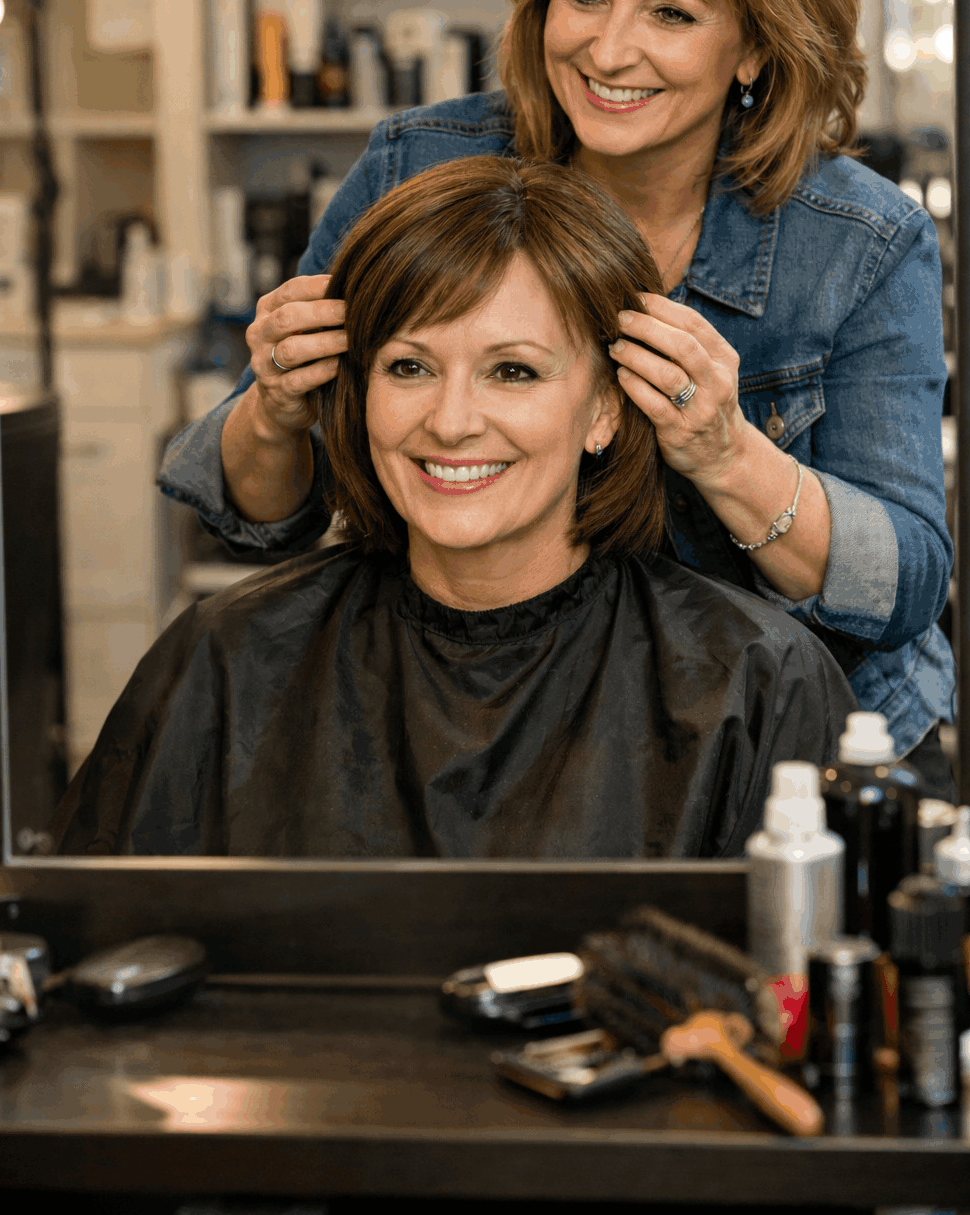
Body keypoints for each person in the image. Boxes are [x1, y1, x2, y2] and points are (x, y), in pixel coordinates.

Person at [160, 0, 952, 772]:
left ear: (752, 46)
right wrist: (276, 409)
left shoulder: (859, 243)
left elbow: (906, 580)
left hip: (784, 746)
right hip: (474, 725)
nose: (607, 51)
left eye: (670, 13)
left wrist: (726, 455)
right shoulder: (419, 168)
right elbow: (254, 514)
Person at [56, 162, 853, 858]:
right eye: (409, 366)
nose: (451, 420)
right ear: (356, 388)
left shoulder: (756, 688)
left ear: (606, 409)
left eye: (512, 372)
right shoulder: (226, 661)